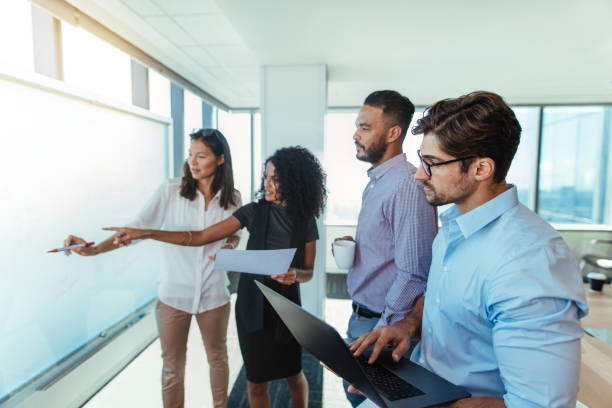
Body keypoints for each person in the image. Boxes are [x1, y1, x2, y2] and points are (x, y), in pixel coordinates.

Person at [350, 91, 588, 407]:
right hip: (422, 384)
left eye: (432, 163)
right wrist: (407, 326)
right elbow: (444, 303)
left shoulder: (529, 262)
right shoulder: (452, 228)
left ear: (481, 169)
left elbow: (538, 405)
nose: (420, 174)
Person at [106, 146, 327, 408]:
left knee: (293, 374)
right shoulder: (253, 211)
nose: (267, 184)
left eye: (275, 179)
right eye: (266, 177)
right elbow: (199, 237)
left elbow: (309, 272)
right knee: (255, 383)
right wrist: (147, 233)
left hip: (286, 308)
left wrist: (296, 274)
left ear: (294, 181)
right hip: (251, 305)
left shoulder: (305, 220)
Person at [63, 128, 241, 408]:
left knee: (218, 359)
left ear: (220, 160)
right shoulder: (171, 191)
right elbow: (137, 229)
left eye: (202, 156)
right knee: (172, 368)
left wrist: (230, 246)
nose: (193, 162)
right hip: (173, 295)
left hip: (214, 295)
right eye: (191, 155)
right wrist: (94, 249)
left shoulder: (233, 199)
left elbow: (233, 234)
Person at [333, 90, 437, 406]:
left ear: (393, 133)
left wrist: (380, 332)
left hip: (383, 325)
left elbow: (414, 274)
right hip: (365, 319)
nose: (355, 134)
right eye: (357, 126)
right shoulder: (378, 181)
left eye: (365, 127)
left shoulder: (406, 185)